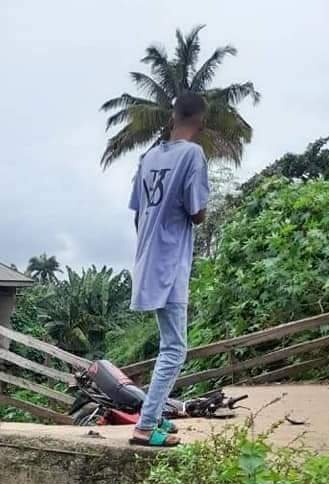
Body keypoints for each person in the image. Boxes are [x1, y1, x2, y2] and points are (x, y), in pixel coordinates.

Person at [128, 92, 209, 448]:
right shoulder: (193, 154)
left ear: (173, 117)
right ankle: (146, 426)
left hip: (148, 259)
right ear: (201, 121)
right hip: (171, 263)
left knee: (167, 344)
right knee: (175, 349)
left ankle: (157, 414)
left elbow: (137, 211)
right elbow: (197, 212)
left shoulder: (148, 157)